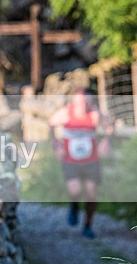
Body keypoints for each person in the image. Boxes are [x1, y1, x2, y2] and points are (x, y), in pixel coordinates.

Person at [48, 88, 113, 239]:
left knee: (91, 193)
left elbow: (110, 126)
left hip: (91, 161)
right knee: (75, 190)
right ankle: (74, 206)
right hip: (70, 160)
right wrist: (56, 144)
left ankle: (88, 226)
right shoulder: (65, 113)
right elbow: (51, 123)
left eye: (86, 102)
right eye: (80, 102)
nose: (83, 105)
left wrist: (106, 141)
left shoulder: (94, 114)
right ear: (74, 101)